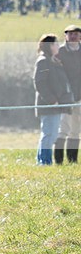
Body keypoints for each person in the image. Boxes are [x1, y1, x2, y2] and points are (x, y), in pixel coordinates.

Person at [33, 33, 73, 165]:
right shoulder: (43, 61)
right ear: (49, 46)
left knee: (51, 134)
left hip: (56, 105)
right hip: (49, 105)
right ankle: (44, 162)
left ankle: (42, 161)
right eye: (56, 43)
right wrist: (51, 100)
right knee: (49, 135)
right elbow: (40, 83)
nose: (58, 46)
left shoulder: (53, 60)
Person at [55, 24, 81, 163]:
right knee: (63, 128)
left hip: (79, 96)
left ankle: (72, 160)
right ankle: (58, 161)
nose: (73, 36)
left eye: (76, 34)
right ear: (66, 36)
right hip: (65, 96)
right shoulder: (60, 52)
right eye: (70, 34)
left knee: (76, 130)